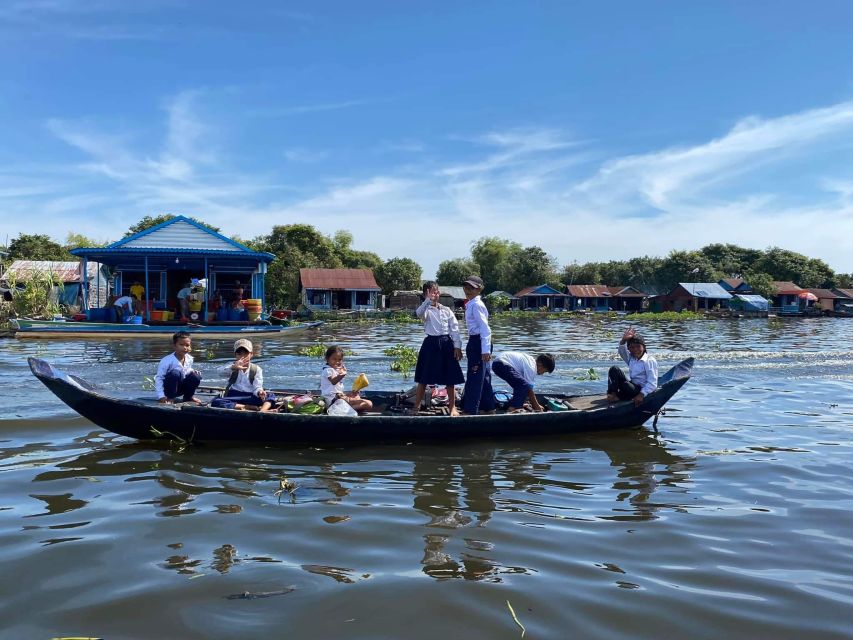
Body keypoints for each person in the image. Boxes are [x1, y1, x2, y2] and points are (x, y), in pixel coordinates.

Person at [411, 281, 465, 415]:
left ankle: (452, 407)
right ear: (425, 295)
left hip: (446, 343)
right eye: (431, 293)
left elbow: (455, 329)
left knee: (450, 377)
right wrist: (427, 301)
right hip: (430, 344)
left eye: (436, 292)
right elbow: (418, 313)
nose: (435, 295)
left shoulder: (446, 310)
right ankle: (416, 407)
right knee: (424, 377)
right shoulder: (426, 311)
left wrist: (457, 347)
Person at [460, 275, 496, 415]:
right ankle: (488, 407)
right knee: (484, 376)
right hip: (476, 341)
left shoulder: (476, 304)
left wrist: (485, 350)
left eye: (472, 288)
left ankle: (470, 410)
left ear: (479, 289)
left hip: (479, 342)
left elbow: (485, 328)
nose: (468, 290)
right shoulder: (471, 303)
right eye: (466, 287)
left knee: (475, 376)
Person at [607, 327, 658, 406]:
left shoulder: (649, 360)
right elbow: (621, 351)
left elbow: (652, 384)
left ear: (644, 347)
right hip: (632, 386)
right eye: (632, 347)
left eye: (638, 346)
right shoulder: (631, 358)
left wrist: (641, 395)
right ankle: (613, 395)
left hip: (640, 390)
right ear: (629, 349)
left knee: (626, 385)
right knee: (614, 369)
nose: (635, 349)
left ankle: (619, 397)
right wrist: (623, 340)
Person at [221, 338, 276, 411]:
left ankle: (262, 410)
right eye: (239, 354)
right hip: (234, 396)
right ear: (235, 355)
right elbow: (221, 373)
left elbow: (257, 387)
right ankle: (247, 407)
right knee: (216, 402)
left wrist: (260, 392)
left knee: (270, 395)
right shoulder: (231, 367)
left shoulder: (257, 369)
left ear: (251, 354)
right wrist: (234, 368)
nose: (242, 357)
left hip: (250, 396)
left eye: (246, 353)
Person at [492, 351, 556, 413]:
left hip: (498, 363)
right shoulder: (532, 368)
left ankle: (516, 405)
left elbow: (521, 388)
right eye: (544, 371)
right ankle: (513, 408)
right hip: (502, 364)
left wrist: (522, 401)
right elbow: (528, 390)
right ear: (540, 365)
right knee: (524, 386)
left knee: (519, 386)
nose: (542, 374)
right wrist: (537, 406)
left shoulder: (530, 361)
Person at [321, 345, 373, 413]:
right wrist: (342, 374)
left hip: (338, 399)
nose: (337, 362)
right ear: (327, 359)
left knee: (357, 397)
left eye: (339, 359)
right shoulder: (328, 370)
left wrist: (350, 394)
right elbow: (333, 381)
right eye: (334, 359)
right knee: (369, 404)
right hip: (332, 401)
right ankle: (341, 411)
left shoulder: (335, 371)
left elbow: (337, 390)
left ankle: (345, 409)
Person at [155, 331, 202, 404]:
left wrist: (192, 371)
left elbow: (185, 370)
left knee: (196, 376)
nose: (185, 347)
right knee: (175, 373)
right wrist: (161, 396)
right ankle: (170, 399)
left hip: (180, 388)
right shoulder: (166, 361)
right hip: (168, 390)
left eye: (187, 345)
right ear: (174, 346)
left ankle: (188, 397)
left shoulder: (190, 358)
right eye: (181, 345)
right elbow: (159, 378)